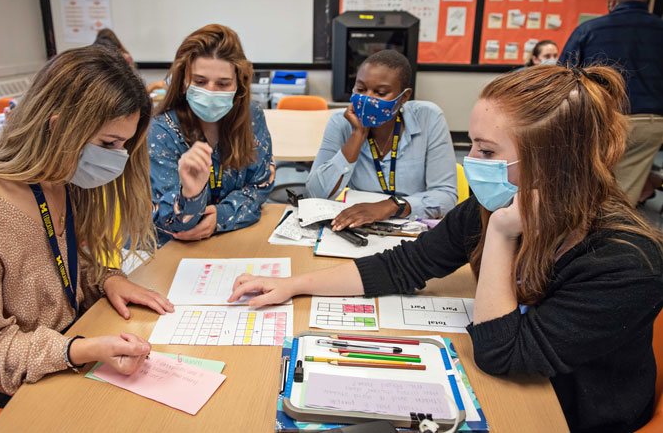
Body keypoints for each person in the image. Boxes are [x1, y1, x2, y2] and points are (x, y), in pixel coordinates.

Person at [230, 65, 663, 433]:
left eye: (486, 149)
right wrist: (294, 284)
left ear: (553, 163)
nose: (469, 159)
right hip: (522, 381)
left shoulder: (624, 261)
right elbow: (404, 265)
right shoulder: (493, 205)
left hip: (575, 413)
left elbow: (501, 354)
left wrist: (499, 235)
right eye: (471, 142)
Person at [0, 45, 174, 407]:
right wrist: (78, 349)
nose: (117, 158)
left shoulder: (62, 178)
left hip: (72, 349)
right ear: (59, 127)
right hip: (15, 387)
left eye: (123, 145)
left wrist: (108, 278)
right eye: (108, 143)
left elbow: (68, 269)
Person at [149, 24, 275, 245]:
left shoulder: (251, 117)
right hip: (172, 251)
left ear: (239, 85)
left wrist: (221, 216)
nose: (210, 91)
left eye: (223, 84)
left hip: (232, 242)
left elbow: (261, 185)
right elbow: (172, 222)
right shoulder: (161, 132)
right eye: (199, 82)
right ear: (183, 81)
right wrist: (191, 194)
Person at [306, 50, 456, 227]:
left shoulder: (429, 118)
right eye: (361, 89)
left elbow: (446, 196)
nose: (368, 99)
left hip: (411, 224)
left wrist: (391, 206)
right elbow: (314, 195)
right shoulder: (341, 122)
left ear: (404, 96)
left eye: (381, 93)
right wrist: (358, 135)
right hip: (361, 226)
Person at [559, 0, 663, 205]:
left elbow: (563, 77)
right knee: (625, 193)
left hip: (604, 119)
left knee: (587, 184)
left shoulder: (590, 30)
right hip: (652, 122)